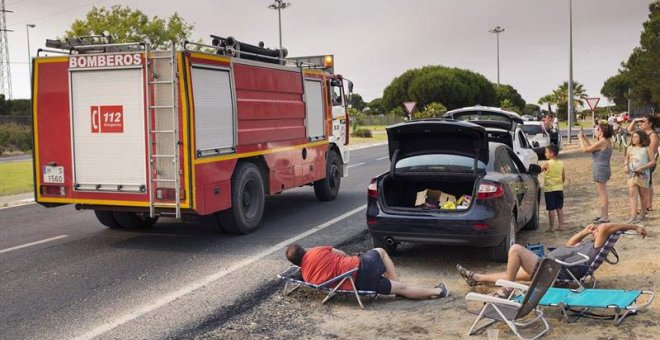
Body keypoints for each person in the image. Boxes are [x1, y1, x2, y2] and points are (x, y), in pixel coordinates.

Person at [456, 223, 647, 297]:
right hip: (553, 266)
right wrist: (584, 231)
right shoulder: (584, 245)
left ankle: (507, 289)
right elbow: (569, 243)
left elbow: (606, 227)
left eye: (596, 230)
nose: (596, 229)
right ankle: (477, 278)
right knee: (512, 272)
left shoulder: (595, 246)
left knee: (515, 250)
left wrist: (634, 226)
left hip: (557, 270)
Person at [285, 244, 448, 299]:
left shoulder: (306, 276)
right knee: (381, 251)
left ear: (296, 263)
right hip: (360, 266)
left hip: (358, 285)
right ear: (303, 249)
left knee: (400, 289)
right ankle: (436, 290)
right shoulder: (316, 251)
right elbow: (341, 254)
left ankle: (437, 292)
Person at [578, 122, 613, 223]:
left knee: (602, 193)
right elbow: (592, 148)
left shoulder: (602, 141)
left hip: (600, 168)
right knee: (601, 192)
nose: (595, 131)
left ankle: (605, 216)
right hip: (603, 167)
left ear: (601, 131)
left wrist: (580, 138)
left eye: (596, 129)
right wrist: (585, 139)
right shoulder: (606, 141)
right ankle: (603, 215)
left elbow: (585, 150)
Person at [628, 115, 659, 212]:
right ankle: (646, 205)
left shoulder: (653, 135)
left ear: (650, 124)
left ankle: (647, 205)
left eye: (643, 122)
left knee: (646, 185)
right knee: (644, 184)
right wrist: (634, 121)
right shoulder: (642, 134)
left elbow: (651, 152)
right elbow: (629, 130)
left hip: (647, 163)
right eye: (640, 122)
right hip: (639, 164)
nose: (640, 124)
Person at [624, 131, 655, 223]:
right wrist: (625, 165)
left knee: (643, 194)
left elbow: (653, 161)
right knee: (632, 194)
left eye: (636, 137)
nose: (633, 139)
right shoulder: (630, 148)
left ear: (641, 138)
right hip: (631, 173)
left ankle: (642, 214)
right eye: (633, 137)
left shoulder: (647, 148)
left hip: (643, 174)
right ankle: (633, 215)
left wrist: (642, 167)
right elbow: (626, 159)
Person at [541, 144, 565, 231]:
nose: (545, 154)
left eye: (546, 152)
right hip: (559, 188)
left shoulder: (547, 163)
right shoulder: (561, 163)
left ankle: (551, 227)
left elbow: (538, 170)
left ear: (552, 153)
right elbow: (563, 177)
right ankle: (561, 226)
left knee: (551, 209)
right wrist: (559, 183)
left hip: (549, 189)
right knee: (559, 207)